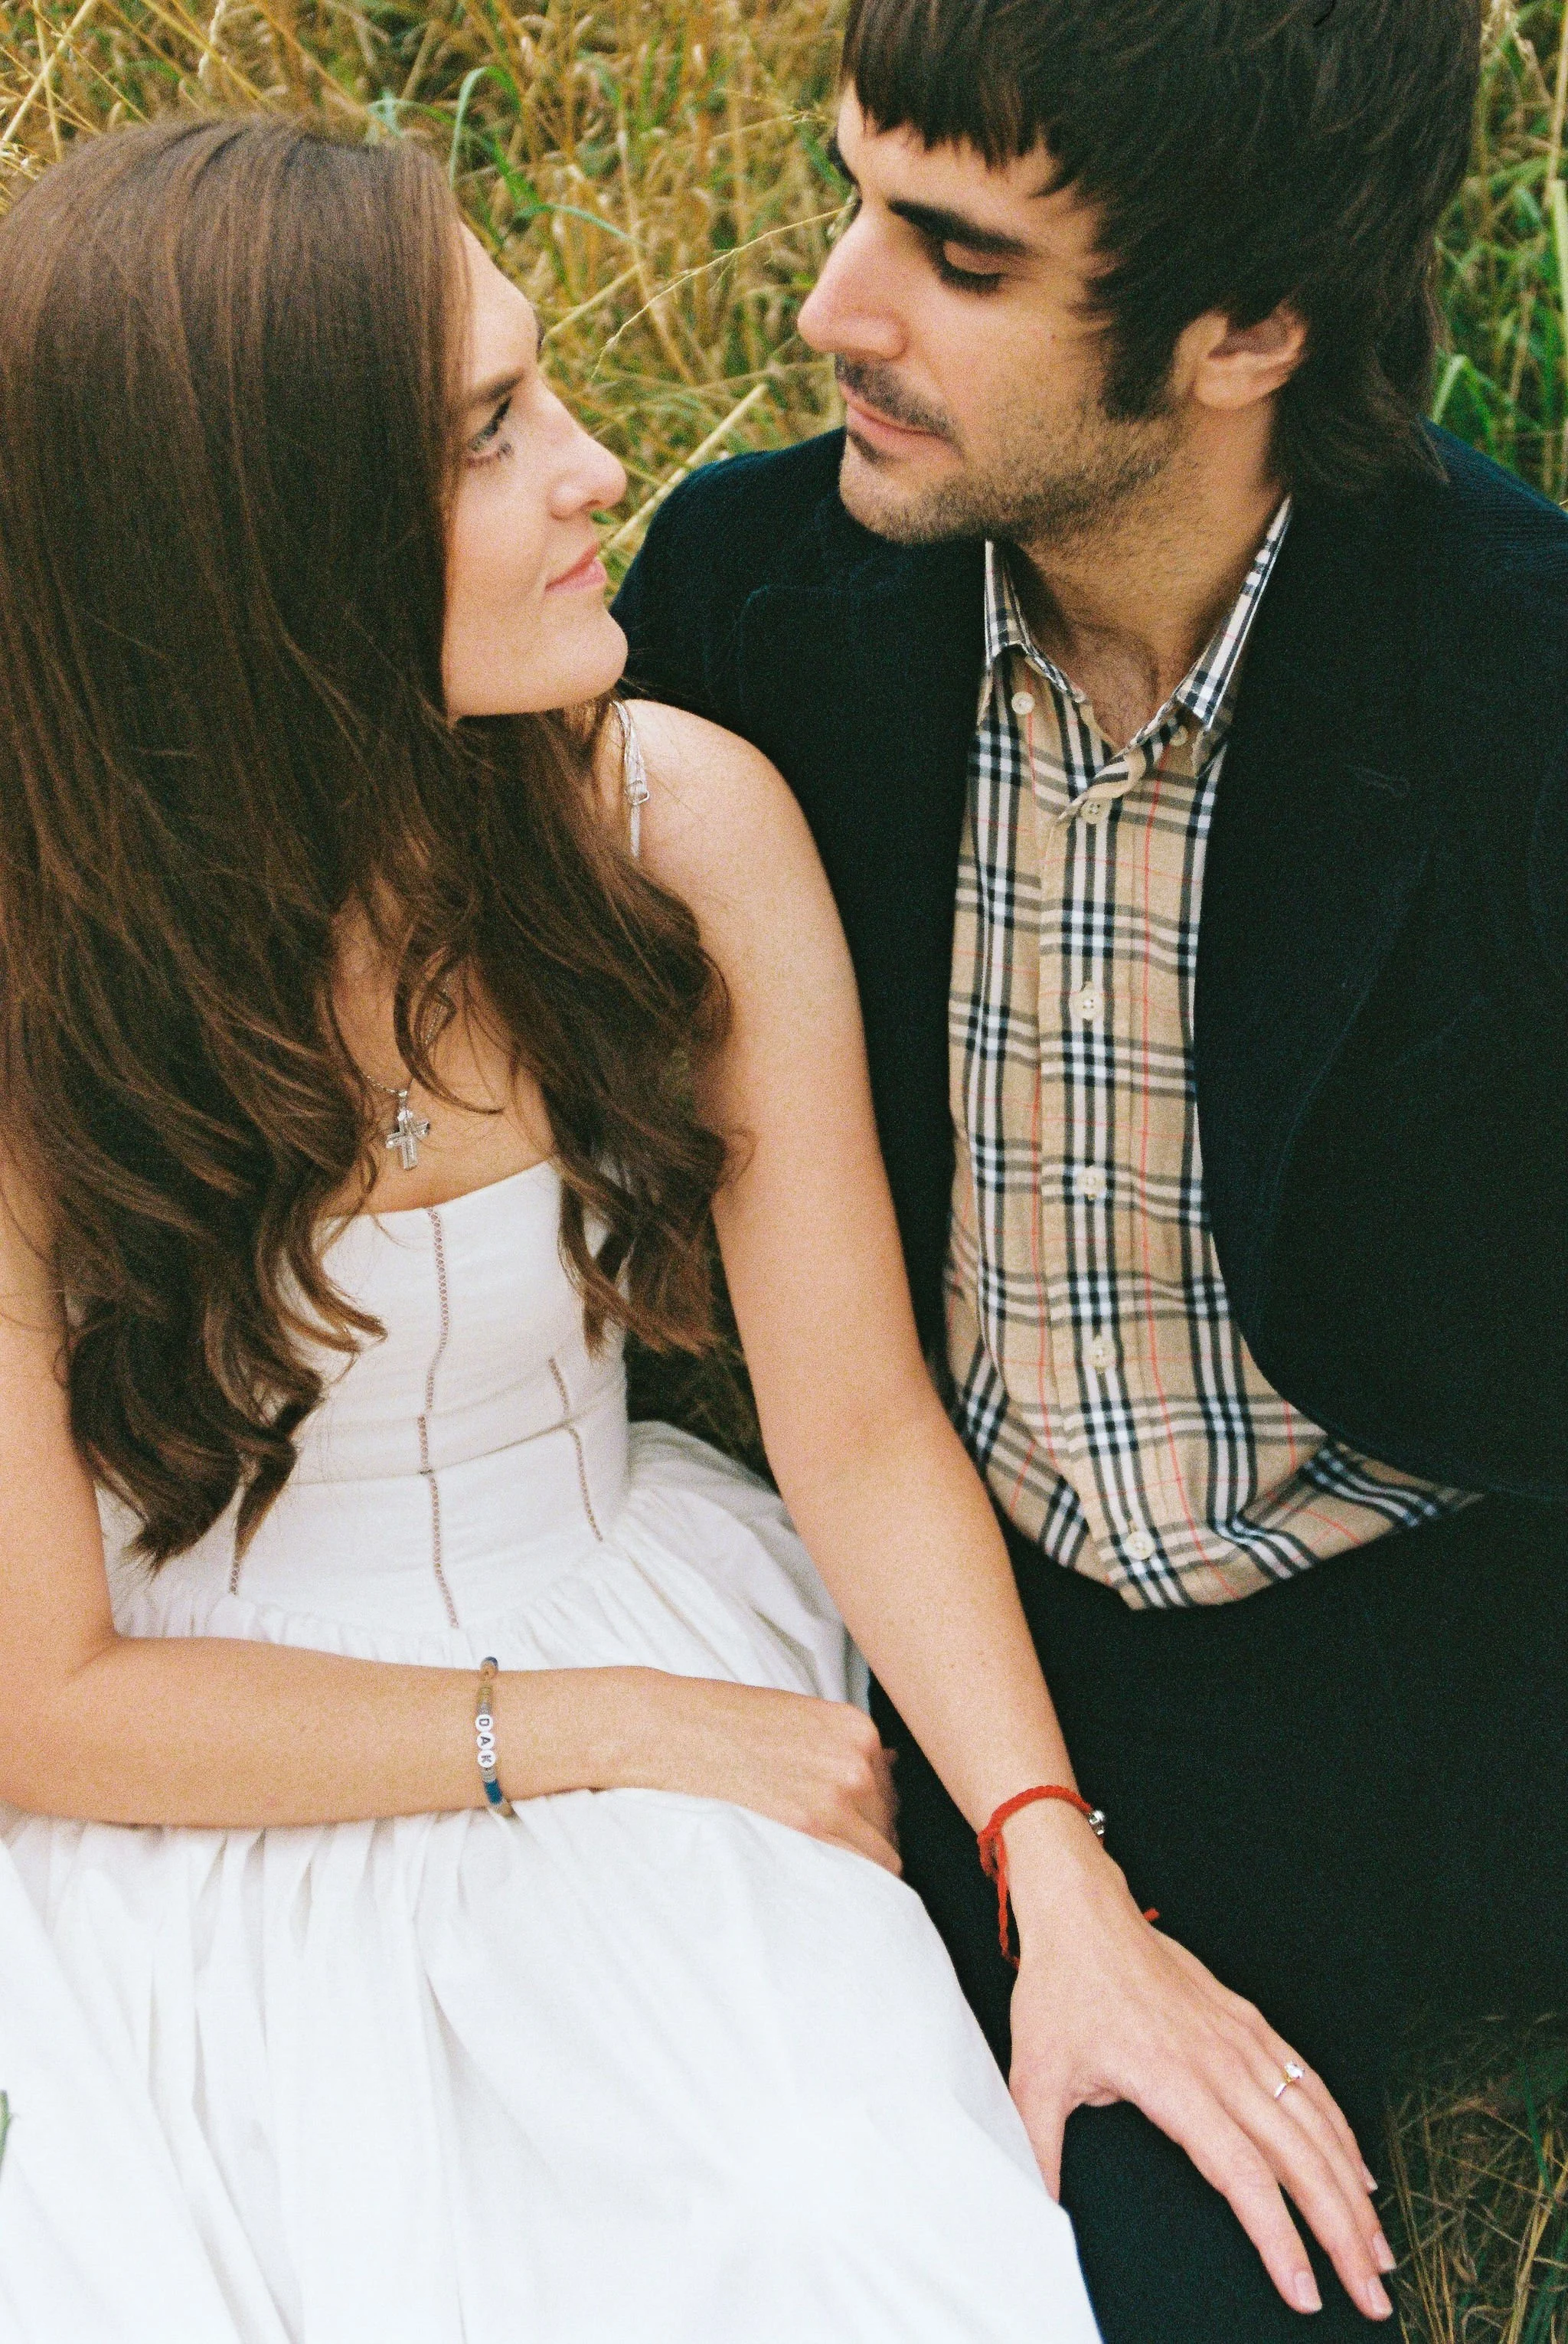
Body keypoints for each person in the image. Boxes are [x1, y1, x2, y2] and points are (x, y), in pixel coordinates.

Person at [0, 116, 1112, 2344]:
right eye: (494, 435)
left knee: (823, 2238)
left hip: (638, 1608)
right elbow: (51, 1703)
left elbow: (864, 1421)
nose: (604, 470)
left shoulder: (678, 828)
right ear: (269, 562)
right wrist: (608, 1722)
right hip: (196, 1772)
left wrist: (1049, 1853)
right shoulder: (43, 986)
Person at [613, 0, 1568, 2337]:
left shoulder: (1517, 690)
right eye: (856, 198)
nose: (831, 302)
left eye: (955, 253)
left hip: (1442, 1647)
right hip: (990, 1654)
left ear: (1248, 326)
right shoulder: (755, 605)